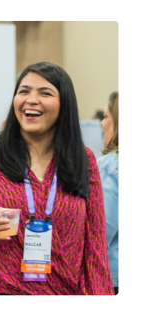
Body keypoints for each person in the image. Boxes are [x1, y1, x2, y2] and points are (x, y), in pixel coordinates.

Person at [0, 62, 114, 296]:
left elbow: (95, 248)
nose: (31, 99)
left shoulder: (83, 159)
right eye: (24, 91)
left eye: (45, 93)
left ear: (64, 104)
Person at [99, 91, 119, 296]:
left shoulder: (111, 166)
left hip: (112, 276)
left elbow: (101, 230)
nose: (101, 124)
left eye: (105, 117)